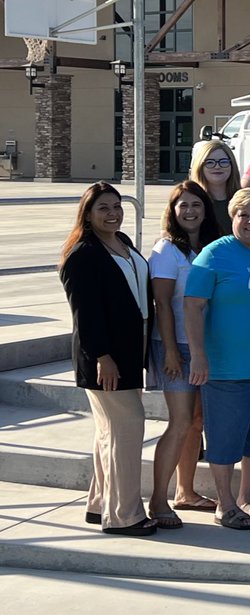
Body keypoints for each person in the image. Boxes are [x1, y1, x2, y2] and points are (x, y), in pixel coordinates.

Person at [185, 187, 250, 531]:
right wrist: (198, 355)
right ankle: (225, 503)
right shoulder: (214, 254)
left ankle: (248, 497)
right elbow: (192, 306)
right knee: (225, 437)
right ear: (232, 217)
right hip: (227, 367)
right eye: (243, 214)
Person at [60, 182, 157, 537]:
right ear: (87, 214)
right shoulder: (83, 255)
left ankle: (100, 503)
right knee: (128, 429)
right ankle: (124, 516)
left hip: (130, 350)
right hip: (106, 357)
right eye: (103, 208)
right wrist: (103, 356)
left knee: (110, 432)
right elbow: (85, 315)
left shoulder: (122, 242)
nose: (113, 213)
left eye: (117, 206)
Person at [146, 182, 222, 529]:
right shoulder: (167, 250)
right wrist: (171, 351)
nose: (190, 211)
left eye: (196, 205)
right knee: (179, 423)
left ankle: (185, 492)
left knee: (196, 422)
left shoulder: (212, 246)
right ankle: (157, 500)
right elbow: (162, 303)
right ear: (173, 211)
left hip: (205, 346)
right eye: (183, 206)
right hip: (175, 345)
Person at [189, 140, 241, 234]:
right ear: (200, 166)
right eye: (210, 162)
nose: (217, 167)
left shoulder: (244, 200)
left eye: (223, 162)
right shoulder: (189, 200)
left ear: (232, 165)